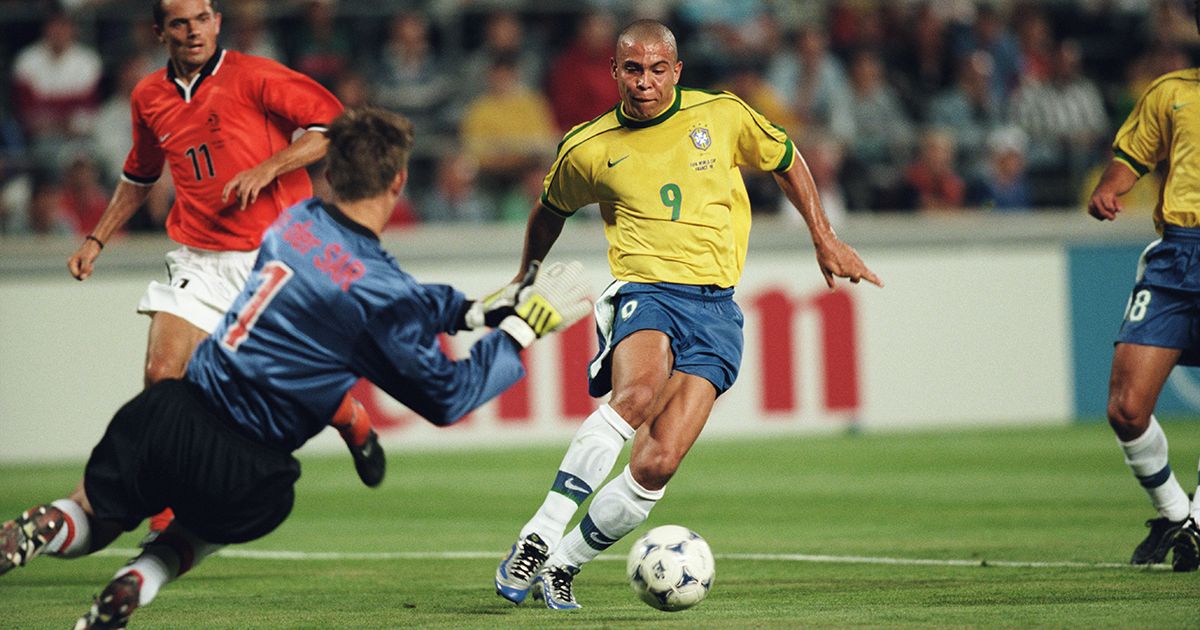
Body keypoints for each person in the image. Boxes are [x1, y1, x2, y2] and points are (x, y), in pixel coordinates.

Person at [0, 106, 594, 629]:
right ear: (399, 180)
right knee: (197, 531)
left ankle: (49, 524)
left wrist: (470, 309)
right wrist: (519, 329)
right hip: (248, 459)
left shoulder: (294, 224)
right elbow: (446, 396)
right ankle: (142, 579)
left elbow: (383, 289)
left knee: (90, 515)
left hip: (172, 409)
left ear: (329, 173)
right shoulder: (377, 296)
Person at [494, 19, 882, 610]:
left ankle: (563, 565)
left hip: (717, 306)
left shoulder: (722, 114)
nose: (644, 82)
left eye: (656, 69)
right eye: (632, 69)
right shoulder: (587, 147)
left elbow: (786, 157)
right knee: (636, 396)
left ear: (676, 70)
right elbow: (549, 211)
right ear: (615, 72)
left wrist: (824, 237)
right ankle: (538, 537)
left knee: (656, 463)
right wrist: (527, 275)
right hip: (645, 288)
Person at [63, 0, 375, 533]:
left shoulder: (255, 76)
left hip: (273, 261)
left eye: (203, 18)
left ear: (217, 23)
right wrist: (97, 237)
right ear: (159, 32)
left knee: (287, 388)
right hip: (201, 260)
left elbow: (334, 126)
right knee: (162, 376)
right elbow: (140, 175)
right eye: (180, 23)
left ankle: (353, 420)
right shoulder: (149, 96)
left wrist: (270, 166)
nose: (193, 31)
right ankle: (164, 501)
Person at [1085, 3, 1200, 573]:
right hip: (1178, 256)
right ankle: (1181, 518)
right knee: (1127, 408)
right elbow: (1127, 162)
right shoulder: (1170, 93)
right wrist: (1109, 190)